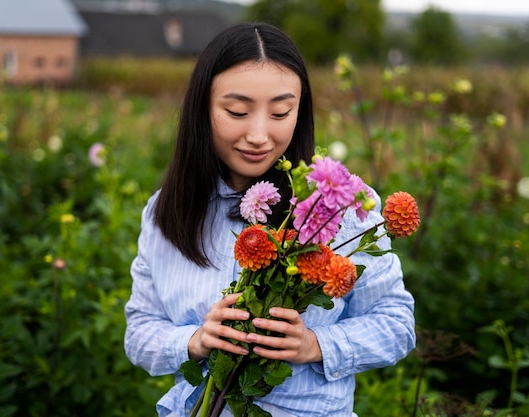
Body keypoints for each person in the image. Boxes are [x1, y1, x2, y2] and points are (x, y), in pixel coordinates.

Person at [124, 22, 416, 417]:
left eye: (281, 112)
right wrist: (195, 340)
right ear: (201, 109)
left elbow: (397, 325)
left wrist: (315, 345)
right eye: (237, 111)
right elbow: (139, 332)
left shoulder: (334, 208)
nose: (259, 134)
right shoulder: (167, 212)